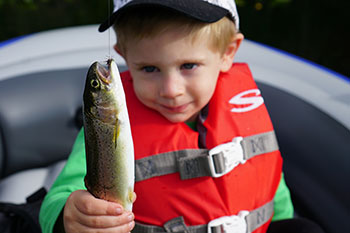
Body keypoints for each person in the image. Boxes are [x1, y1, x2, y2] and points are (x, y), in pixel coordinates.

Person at [39, 1, 323, 233]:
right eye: (149, 69)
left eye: (188, 66)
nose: (171, 90)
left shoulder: (244, 105)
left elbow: (271, 187)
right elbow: (59, 197)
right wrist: (69, 216)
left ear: (228, 53)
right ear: (123, 55)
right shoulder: (109, 126)